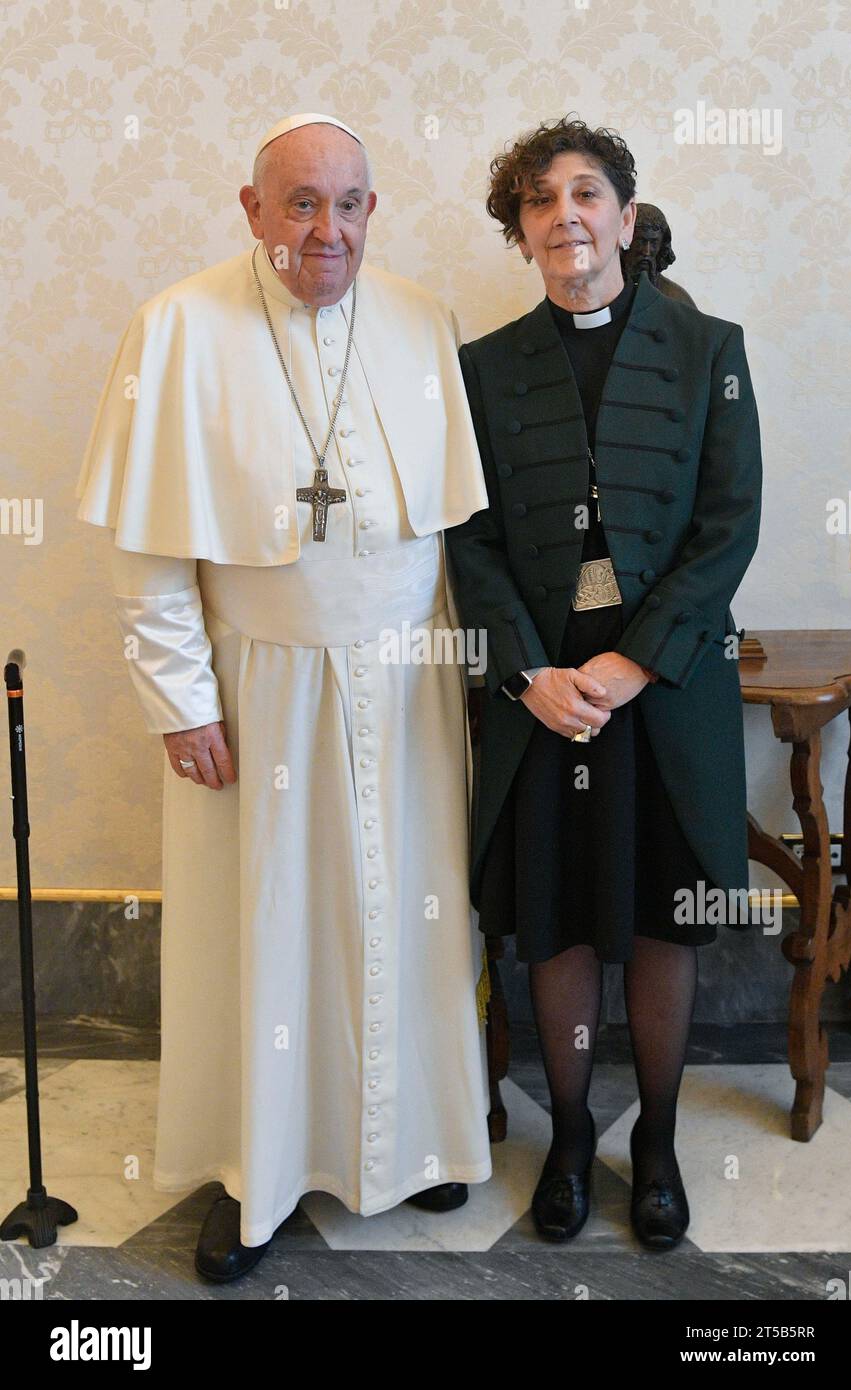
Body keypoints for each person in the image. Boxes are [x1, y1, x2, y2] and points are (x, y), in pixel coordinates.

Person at [75, 112, 493, 1282]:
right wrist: (180, 700)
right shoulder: (177, 327)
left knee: (412, 914)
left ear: (374, 211)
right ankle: (253, 1170)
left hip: (407, 686)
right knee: (263, 932)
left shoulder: (420, 322)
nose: (328, 229)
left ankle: (417, 1140)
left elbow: (460, 535)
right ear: (250, 209)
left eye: (349, 203)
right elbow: (150, 558)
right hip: (256, 689)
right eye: (301, 202)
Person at [446, 115, 762, 1250]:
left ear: (625, 218)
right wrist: (531, 673)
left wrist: (632, 662)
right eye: (539, 201)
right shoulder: (481, 368)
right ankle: (574, 1136)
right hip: (542, 700)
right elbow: (467, 541)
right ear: (520, 232)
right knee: (561, 922)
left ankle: (662, 1142)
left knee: (665, 921)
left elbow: (727, 528)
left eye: (585, 194)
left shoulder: (710, 350)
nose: (563, 215)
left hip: (663, 690)